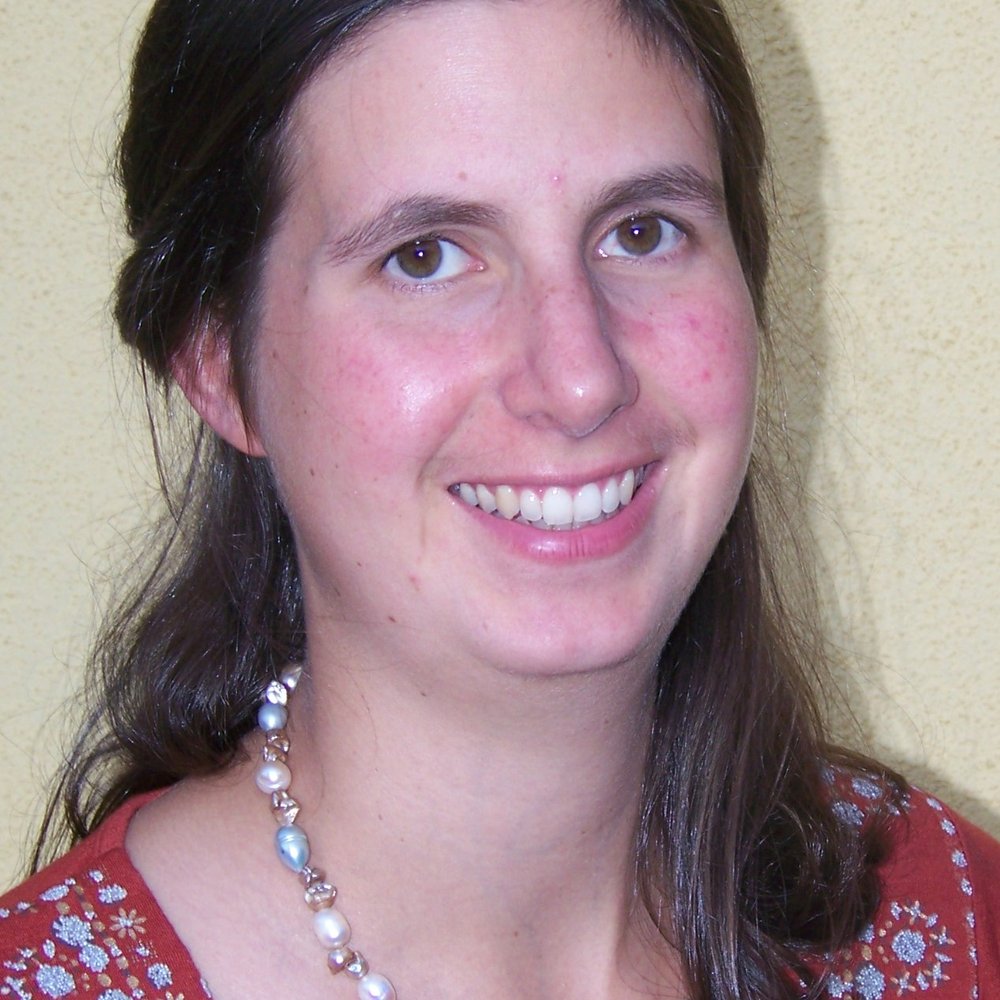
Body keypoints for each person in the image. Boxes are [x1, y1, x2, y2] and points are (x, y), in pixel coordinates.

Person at [2, 0, 997, 998]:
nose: (580, 379)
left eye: (642, 232)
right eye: (425, 256)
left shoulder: (950, 925)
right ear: (219, 363)